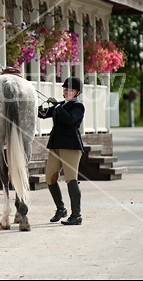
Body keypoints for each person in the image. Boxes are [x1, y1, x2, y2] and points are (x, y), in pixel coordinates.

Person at [37, 76, 85, 225]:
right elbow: (42, 115)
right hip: (56, 145)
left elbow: (70, 120)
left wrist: (57, 106)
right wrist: (39, 107)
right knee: (50, 178)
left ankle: (76, 215)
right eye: (65, 89)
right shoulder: (60, 106)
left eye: (70, 89)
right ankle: (60, 208)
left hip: (71, 146)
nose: (67, 91)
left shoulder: (78, 107)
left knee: (71, 179)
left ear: (77, 92)